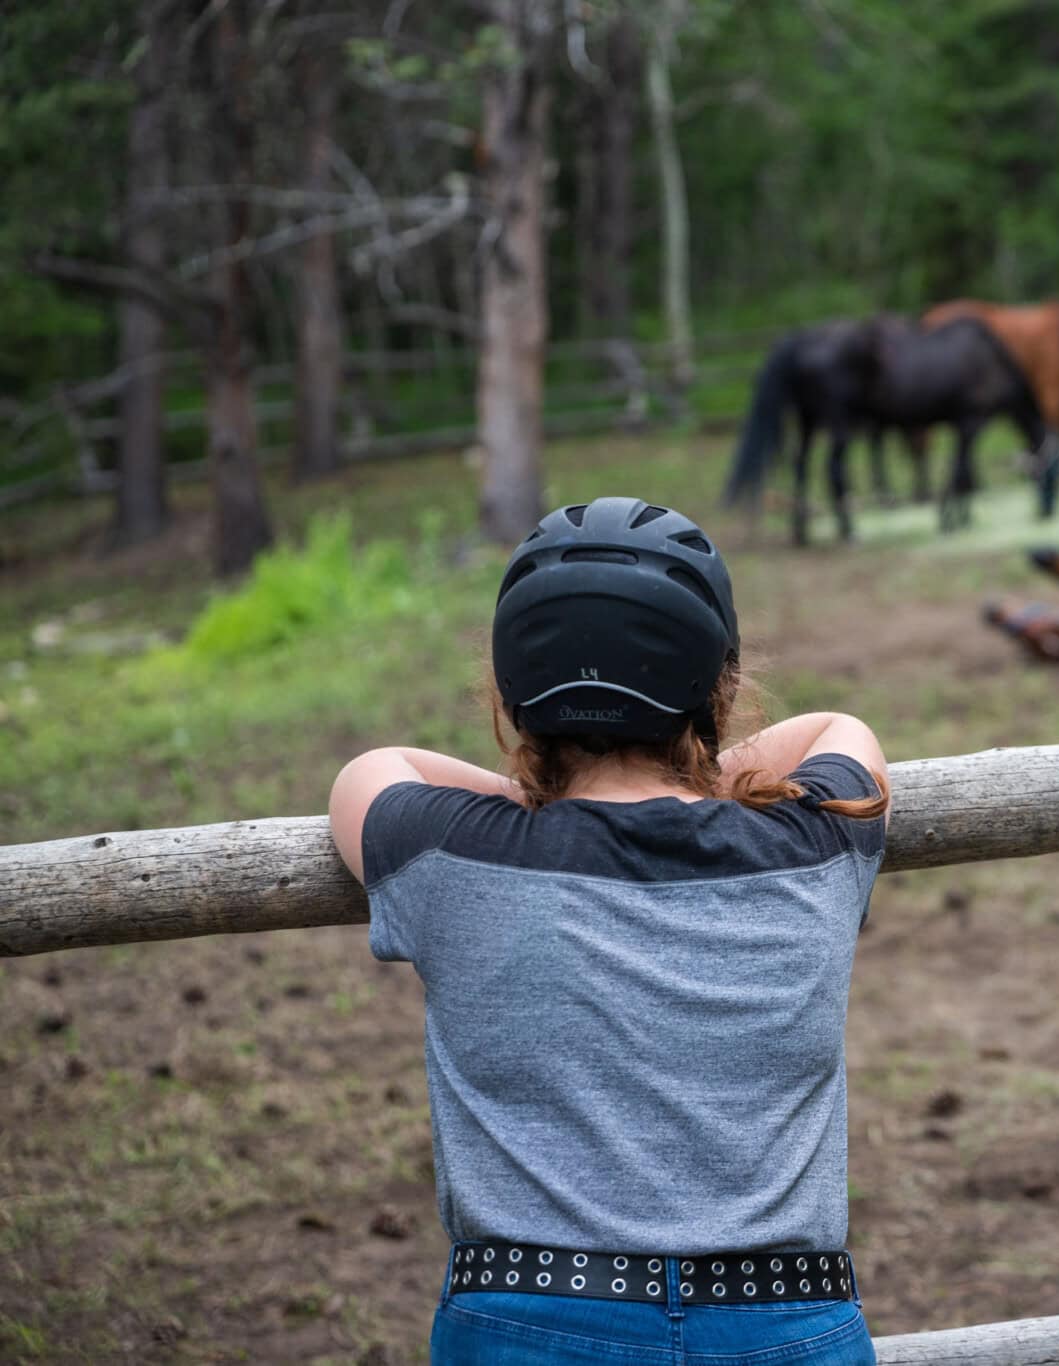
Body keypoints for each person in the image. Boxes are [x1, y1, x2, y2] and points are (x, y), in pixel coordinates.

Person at [328, 498, 889, 1365]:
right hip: (783, 1321)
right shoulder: (818, 842)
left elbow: (373, 772)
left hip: (527, 1320)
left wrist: (539, 800)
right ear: (722, 687)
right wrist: (699, 781)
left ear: (513, 703)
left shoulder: (449, 853)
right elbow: (837, 731)